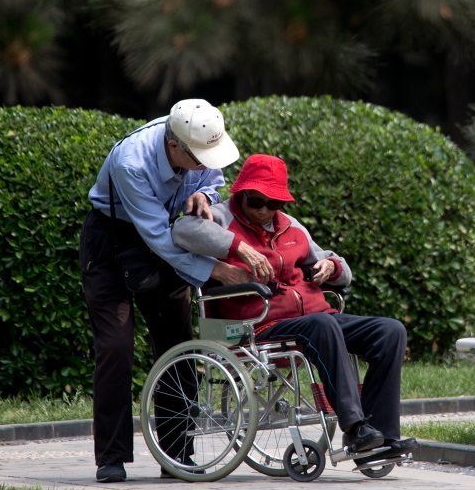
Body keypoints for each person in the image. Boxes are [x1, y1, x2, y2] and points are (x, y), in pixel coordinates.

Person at [172, 153, 418, 462]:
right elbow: (181, 231)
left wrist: (331, 265)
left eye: (274, 204)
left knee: (390, 330)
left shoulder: (291, 226)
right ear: (240, 192)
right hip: (260, 324)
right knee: (321, 325)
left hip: (314, 318)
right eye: (256, 200)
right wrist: (239, 248)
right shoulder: (220, 217)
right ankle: (355, 428)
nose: (264, 210)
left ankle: (381, 436)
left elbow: (340, 268)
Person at [79, 98, 265, 483]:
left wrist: (205, 197)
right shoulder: (131, 161)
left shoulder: (195, 135)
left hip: (162, 234)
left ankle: (177, 455)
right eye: (199, 158)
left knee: (178, 343)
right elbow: (160, 239)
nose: (205, 163)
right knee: (115, 347)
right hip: (111, 241)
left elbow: (212, 180)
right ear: (174, 145)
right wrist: (217, 270)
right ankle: (111, 458)